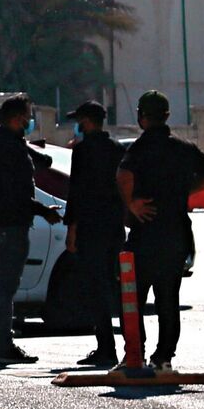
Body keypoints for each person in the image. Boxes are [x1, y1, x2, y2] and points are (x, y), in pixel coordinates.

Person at [118, 90, 204, 374]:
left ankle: (134, 354)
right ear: (167, 117)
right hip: (176, 234)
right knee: (168, 299)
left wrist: (132, 205)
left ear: (141, 116)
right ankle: (163, 357)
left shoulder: (139, 148)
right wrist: (187, 192)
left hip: (144, 234)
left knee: (133, 298)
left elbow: (122, 176)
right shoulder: (182, 148)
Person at [0, 95, 62, 366]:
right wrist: (43, 211)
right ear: (16, 118)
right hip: (9, 226)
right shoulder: (11, 149)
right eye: (27, 115)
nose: (29, 120)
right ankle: (3, 345)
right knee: (4, 289)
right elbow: (16, 194)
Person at [64, 100, 127, 367]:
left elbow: (76, 192)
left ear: (87, 122)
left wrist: (72, 230)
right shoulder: (117, 149)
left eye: (80, 120)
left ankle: (106, 347)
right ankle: (133, 346)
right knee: (119, 288)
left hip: (91, 228)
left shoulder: (81, 152)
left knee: (96, 287)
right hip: (114, 227)